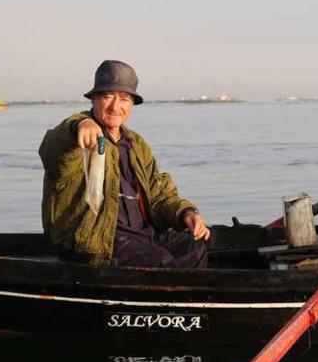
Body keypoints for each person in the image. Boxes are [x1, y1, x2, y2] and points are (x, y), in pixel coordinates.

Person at [39, 60, 210, 267]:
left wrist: (186, 213)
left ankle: (185, 298)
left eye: (124, 98)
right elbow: (53, 149)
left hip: (141, 235)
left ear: (131, 104)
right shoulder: (78, 135)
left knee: (196, 245)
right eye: (107, 96)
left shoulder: (137, 144)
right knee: (160, 261)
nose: (115, 106)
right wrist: (80, 124)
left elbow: (159, 194)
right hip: (98, 240)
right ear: (93, 99)